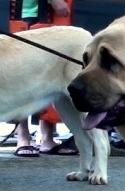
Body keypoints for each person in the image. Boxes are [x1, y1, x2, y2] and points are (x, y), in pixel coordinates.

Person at [14, 0, 75, 157]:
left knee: (50, 70)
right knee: (22, 73)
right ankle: (23, 137)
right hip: (26, 11)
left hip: (50, 13)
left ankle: (47, 137)